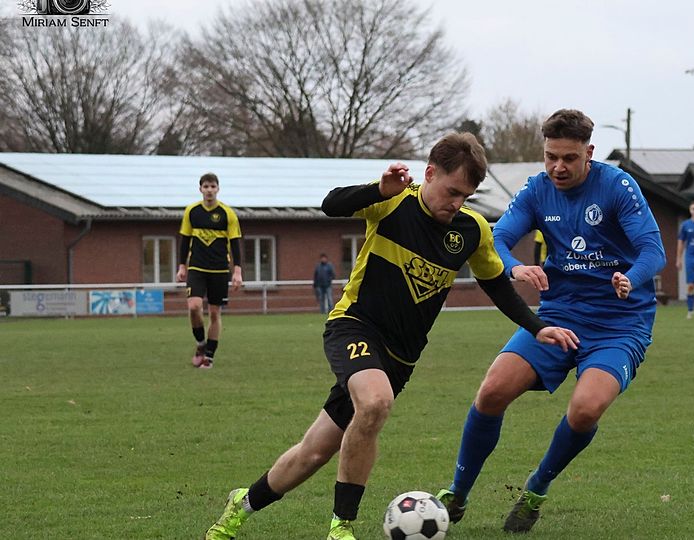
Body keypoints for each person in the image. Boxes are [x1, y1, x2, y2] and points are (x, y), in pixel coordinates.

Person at [203, 133, 579, 540]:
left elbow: (496, 287)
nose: (457, 203)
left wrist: (537, 326)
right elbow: (331, 204)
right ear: (429, 173)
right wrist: (377, 190)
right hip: (355, 325)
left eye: (466, 196)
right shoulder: (394, 200)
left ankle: (242, 503)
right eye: (452, 192)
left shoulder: (471, 230)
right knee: (376, 401)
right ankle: (341, 526)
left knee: (314, 451)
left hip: (401, 358)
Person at [436, 109, 666, 533]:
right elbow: (498, 238)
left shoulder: (618, 187)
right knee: (492, 391)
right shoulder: (537, 190)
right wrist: (514, 267)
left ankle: (536, 489)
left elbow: (654, 250)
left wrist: (630, 278)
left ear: (589, 153)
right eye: (551, 156)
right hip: (560, 315)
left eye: (569, 158)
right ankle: (457, 494)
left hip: (620, 322)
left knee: (585, 409)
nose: (558, 167)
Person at [176, 172, 243, 369]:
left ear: (218, 189)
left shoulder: (227, 213)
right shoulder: (192, 211)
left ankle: (209, 357)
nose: (209, 190)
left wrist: (237, 271)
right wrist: (182, 266)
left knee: (214, 313)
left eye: (213, 186)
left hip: (219, 269)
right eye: (206, 187)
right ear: (200, 189)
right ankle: (200, 344)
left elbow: (235, 243)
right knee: (194, 306)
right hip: (197, 267)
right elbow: (184, 240)